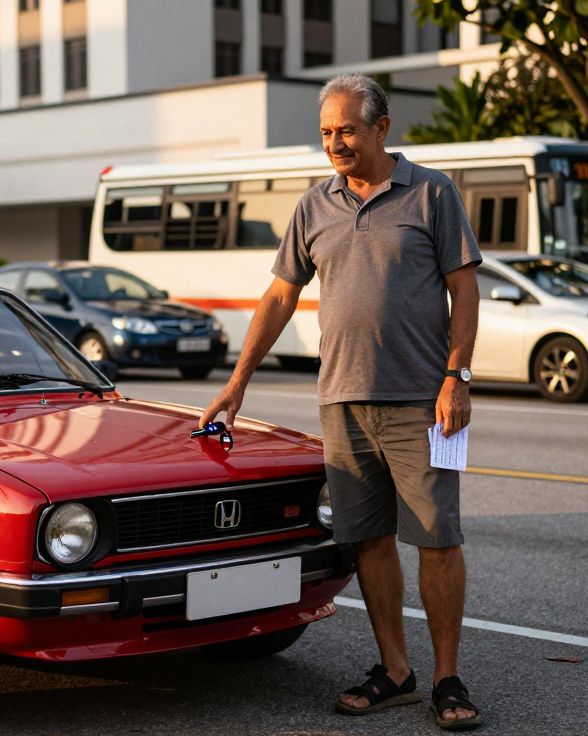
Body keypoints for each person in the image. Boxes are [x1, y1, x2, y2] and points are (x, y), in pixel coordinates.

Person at [199, 74, 482, 731]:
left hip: (423, 401)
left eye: (347, 129)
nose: (335, 142)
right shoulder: (314, 204)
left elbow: (464, 291)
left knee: (438, 539)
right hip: (342, 400)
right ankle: (397, 672)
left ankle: (447, 678)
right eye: (327, 132)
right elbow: (277, 298)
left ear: (382, 128)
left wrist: (457, 377)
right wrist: (237, 383)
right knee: (368, 541)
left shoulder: (433, 193)